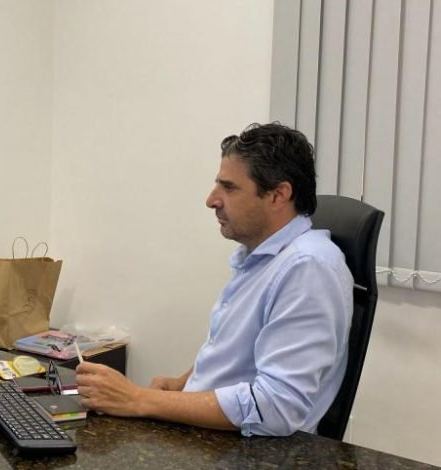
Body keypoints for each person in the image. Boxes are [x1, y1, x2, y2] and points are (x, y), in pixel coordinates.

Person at [75, 122, 353, 436]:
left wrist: (138, 399)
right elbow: (240, 354)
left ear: (278, 195)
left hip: (253, 450)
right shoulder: (262, 258)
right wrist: (183, 383)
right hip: (216, 438)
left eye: (229, 188)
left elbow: (276, 407)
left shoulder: (308, 268)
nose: (212, 200)